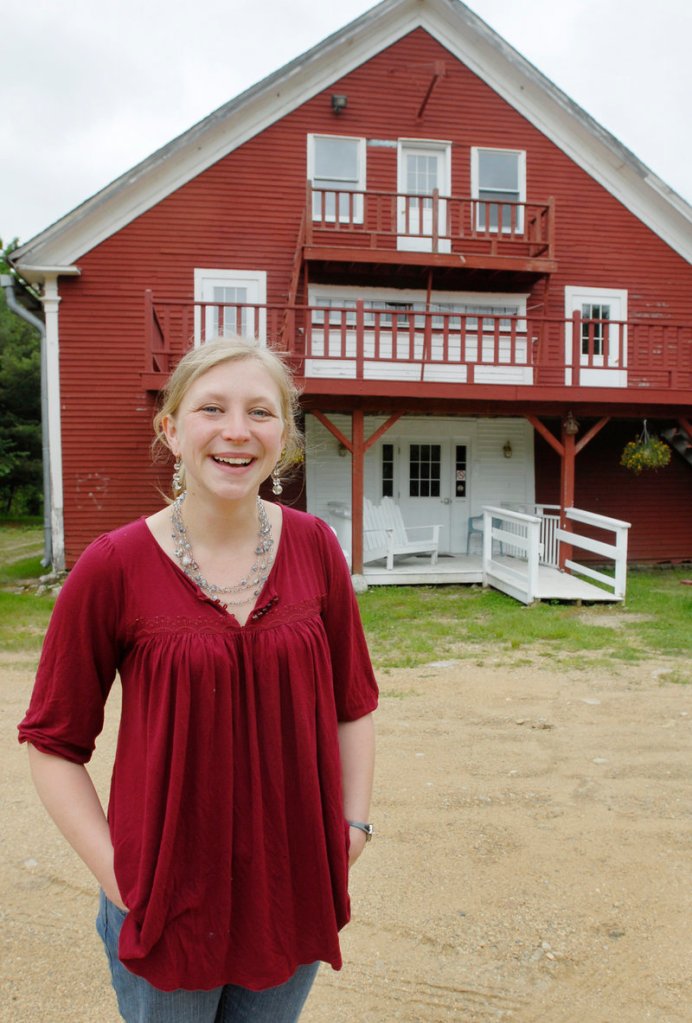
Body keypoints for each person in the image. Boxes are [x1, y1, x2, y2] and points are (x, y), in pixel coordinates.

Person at [18, 337, 378, 1023]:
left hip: (290, 887)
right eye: (212, 408)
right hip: (166, 902)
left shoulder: (316, 549)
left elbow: (354, 703)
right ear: (172, 429)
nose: (237, 430)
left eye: (261, 412)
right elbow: (52, 742)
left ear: (285, 435)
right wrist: (122, 879)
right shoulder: (113, 566)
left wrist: (353, 825)